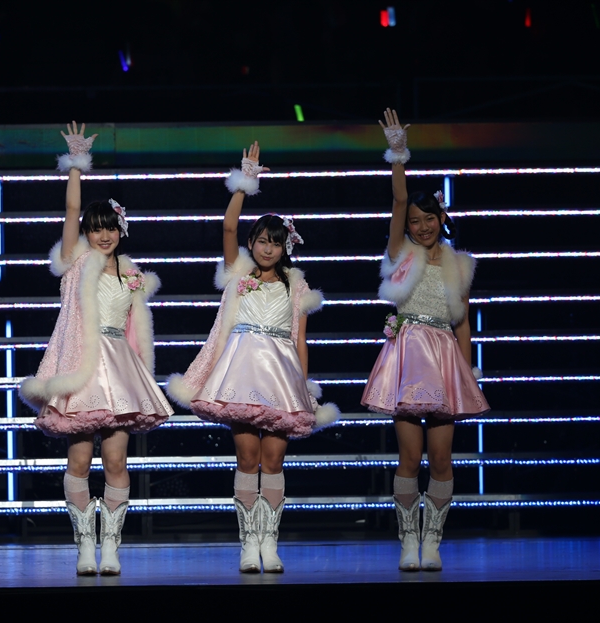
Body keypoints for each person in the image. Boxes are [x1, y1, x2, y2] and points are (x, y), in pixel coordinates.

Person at [167, 142, 339, 574]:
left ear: (285, 248)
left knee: (274, 460)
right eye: (262, 241)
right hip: (241, 376)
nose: (268, 249)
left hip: (281, 378)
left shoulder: (295, 286)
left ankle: (270, 542)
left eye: (275, 243)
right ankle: (248, 543)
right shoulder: (239, 274)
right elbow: (227, 227)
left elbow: (300, 341)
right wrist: (245, 181)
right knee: (247, 458)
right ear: (252, 243)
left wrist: (304, 386)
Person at [20, 122, 173, 576]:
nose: (103, 235)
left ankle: (111, 547)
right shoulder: (77, 263)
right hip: (83, 370)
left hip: (120, 373)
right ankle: (84, 544)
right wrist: (75, 165)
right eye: (95, 228)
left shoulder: (132, 274)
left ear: (121, 230)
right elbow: (71, 209)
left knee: (116, 459)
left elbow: (137, 333)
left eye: (110, 228)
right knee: (80, 458)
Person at [361, 108, 489, 571]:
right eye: (415, 220)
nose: (421, 225)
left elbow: (462, 324)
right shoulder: (402, 255)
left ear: (441, 217)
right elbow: (398, 201)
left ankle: (432, 540)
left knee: (441, 459)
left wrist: (467, 373)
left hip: (445, 363)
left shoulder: (459, 264)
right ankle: (407, 539)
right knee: (409, 457)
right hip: (409, 358)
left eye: (428, 218)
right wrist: (398, 154)